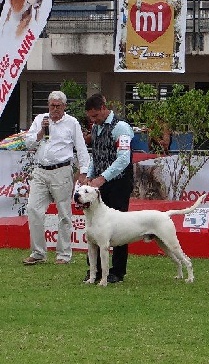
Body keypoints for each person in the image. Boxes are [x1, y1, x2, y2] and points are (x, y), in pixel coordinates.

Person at [22, 91, 90, 265]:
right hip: (40, 171)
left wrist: (83, 172)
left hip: (62, 170)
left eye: (58, 106)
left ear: (64, 106)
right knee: (33, 209)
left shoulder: (72, 122)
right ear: (48, 105)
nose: (54, 109)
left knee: (64, 214)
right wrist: (41, 131)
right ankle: (38, 252)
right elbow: (28, 143)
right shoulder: (40, 120)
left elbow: (81, 148)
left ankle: (64, 254)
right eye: (52, 105)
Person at [83, 93, 134, 284]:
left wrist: (102, 178)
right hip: (98, 184)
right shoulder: (96, 128)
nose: (93, 120)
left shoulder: (121, 127)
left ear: (104, 108)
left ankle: (118, 271)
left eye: (95, 116)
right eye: (91, 117)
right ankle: (93, 270)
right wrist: (90, 175)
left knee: (120, 226)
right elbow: (96, 156)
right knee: (94, 225)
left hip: (119, 183)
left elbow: (123, 159)